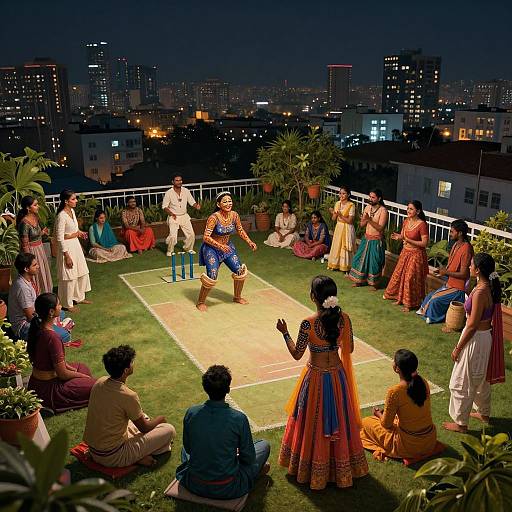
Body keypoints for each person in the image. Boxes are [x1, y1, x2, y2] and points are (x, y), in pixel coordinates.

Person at [276, 275, 368, 490]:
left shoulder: (307, 324)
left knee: (312, 423)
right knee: (341, 419)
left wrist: (285, 333)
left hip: (316, 378)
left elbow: (297, 354)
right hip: (337, 378)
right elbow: (350, 348)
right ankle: (341, 470)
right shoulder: (344, 319)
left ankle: (311, 469)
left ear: (313, 297)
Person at [176, 365, 270, 499]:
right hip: (228, 488)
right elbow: (248, 458)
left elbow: (189, 448)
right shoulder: (238, 418)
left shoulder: (191, 412)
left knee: (185, 451)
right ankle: (255, 473)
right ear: (228, 389)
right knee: (264, 445)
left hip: (194, 483)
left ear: (205, 388)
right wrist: (233, 455)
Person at [83, 345, 176, 467]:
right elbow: (145, 428)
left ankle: (137, 453)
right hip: (113, 456)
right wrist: (161, 419)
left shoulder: (100, 382)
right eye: (131, 362)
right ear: (126, 370)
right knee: (169, 430)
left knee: (140, 417)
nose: (133, 363)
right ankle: (137, 457)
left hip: (94, 449)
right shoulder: (129, 396)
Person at [443, 253, 505, 433]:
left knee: (462, 380)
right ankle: (484, 413)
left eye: (471, 265)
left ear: (478, 270)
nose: (469, 267)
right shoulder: (488, 287)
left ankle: (461, 423)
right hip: (485, 338)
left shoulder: (479, 292)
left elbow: (471, 325)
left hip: (476, 338)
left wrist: (458, 347)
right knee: (481, 378)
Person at [360, 349, 438, 461]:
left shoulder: (395, 392)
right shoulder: (423, 382)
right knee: (397, 419)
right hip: (429, 440)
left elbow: (386, 424)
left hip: (408, 445)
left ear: (397, 368)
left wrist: (378, 414)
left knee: (365, 422)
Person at [27, 293, 95, 413]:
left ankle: (82, 381)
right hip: (49, 389)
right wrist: (82, 377)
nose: (61, 306)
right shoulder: (52, 337)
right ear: (51, 312)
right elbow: (62, 374)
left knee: (82, 367)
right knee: (96, 387)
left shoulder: (39, 328)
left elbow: (58, 365)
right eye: (58, 304)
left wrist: (74, 371)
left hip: (37, 382)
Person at [196, 191, 257, 312]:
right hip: (211, 249)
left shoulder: (234, 215)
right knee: (212, 275)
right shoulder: (213, 218)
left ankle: (237, 297)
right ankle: (201, 302)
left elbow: (240, 230)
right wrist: (219, 246)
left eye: (230, 201)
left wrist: (249, 241)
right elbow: (206, 237)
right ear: (219, 204)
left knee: (240, 271)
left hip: (227, 248)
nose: (228, 203)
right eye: (225, 201)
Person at [8, 253, 73, 342]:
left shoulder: (26, 279)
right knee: (65, 336)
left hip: (35, 316)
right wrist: (48, 320)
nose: (38, 266)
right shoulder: (22, 288)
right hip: (24, 326)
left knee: (60, 313)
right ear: (26, 269)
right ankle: (59, 329)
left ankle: (58, 326)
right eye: (35, 265)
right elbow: (31, 317)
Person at [417, 219, 473, 324]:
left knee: (434, 300)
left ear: (460, 233)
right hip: (450, 284)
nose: (450, 234)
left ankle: (432, 317)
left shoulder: (466, 249)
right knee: (429, 296)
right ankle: (427, 313)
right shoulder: (456, 245)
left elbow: (464, 274)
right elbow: (451, 267)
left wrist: (446, 272)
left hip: (458, 289)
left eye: (452, 231)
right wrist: (442, 271)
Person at [383, 201, 429, 312]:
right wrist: (399, 237)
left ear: (418, 211)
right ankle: (399, 299)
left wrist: (408, 240)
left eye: (411, 209)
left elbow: (424, 243)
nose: (408, 211)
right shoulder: (406, 221)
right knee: (400, 275)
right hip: (405, 252)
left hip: (416, 254)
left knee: (409, 278)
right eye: (408, 208)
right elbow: (403, 236)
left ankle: (410, 304)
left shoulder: (422, 224)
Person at [55, 190, 91, 312]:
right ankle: (67, 303)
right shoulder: (61, 216)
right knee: (69, 276)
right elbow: (60, 237)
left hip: (75, 245)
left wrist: (79, 233)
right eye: (73, 199)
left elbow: (73, 230)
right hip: (67, 248)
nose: (76, 201)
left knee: (82, 272)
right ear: (66, 201)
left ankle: (79, 297)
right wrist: (66, 255)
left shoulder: (72, 211)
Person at [348, 189, 388, 289]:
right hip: (366, 239)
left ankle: (374, 284)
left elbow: (380, 228)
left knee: (374, 262)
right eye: (369, 196)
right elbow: (362, 225)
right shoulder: (367, 207)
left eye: (373, 197)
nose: (370, 199)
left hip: (376, 241)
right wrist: (364, 219)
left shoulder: (383, 211)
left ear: (379, 198)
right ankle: (359, 280)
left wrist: (369, 219)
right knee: (359, 259)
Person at [16, 195, 53, 294]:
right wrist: (29, 260)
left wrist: (42, 233)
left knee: (42, 273)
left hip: (40, 248)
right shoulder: (24, 223)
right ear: (28, 208)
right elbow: (25, 244)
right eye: (35, 205)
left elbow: (35, 236)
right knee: (35, 273)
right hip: (31, 251)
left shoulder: (36, 218)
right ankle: (36, 296)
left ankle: (45, 295)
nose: (38, 207)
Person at [162, 174, 201, 256]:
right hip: (173, 216)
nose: (179, 182)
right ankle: (170, 250)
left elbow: (191, 201)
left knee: (191, 234)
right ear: (173, 182)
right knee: (173, 236)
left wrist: (196, 206)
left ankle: (188, 248)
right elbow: (164, 206)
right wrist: (171, 214)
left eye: (180, 180)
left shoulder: (186, 190)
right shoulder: (168, 193)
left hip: (184, 216)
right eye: (177, 180)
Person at [327, 186, 356, 272]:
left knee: (345, 247)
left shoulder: (351, 205)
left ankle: (346, 266)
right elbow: (333, 218)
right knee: (337, 246)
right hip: (339, 227)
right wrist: (333, 213)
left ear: (348, 195)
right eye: (340, 193)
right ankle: (336, 265)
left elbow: (350, 221)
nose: (341, 195)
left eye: (344, 193)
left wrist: (340, 215)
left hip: (347, 227)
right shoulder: (337, 203)